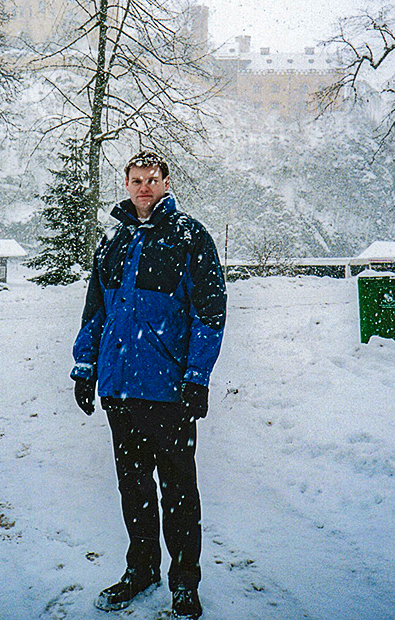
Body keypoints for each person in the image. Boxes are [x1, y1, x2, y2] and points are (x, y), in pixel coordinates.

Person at [71, 151, 227, 620]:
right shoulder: (113, 242)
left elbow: (210, 315)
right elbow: (96, 312)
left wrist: (197, 377)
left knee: (178, 488)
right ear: (126, 184)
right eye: (136, 180)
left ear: (164, 182)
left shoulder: (189, 237)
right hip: (120, 390)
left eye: (151, 180)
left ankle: (184, 581)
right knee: (133, 487)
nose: (143, 188)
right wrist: (84, 368)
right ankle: (141, 569)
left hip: (169, 392)